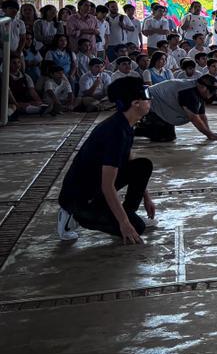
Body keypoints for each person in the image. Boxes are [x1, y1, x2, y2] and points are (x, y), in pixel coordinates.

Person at [55, 77, 155, 244]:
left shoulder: (126, 124)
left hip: (96, 188)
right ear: (135, 103)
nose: (150, 99)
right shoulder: (115, 132)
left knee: (143, 165)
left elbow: (129, 161)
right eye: (147, 95)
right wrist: (124, 223)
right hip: (80, 198)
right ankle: (72, 215)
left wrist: (147, 197)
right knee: (136, 229)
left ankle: (128, 213)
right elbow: (107, 186)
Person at [134, 75, 217, 143]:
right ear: (203, 87)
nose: (212, 94)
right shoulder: (189, 93)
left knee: (169, 136)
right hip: (149, 105)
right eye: (211, 91)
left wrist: (210, 132)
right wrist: (210, 135)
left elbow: (202, 115)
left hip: (162, 106)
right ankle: (136, 130)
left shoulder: (198, 91)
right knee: (164, 137)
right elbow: (194, 118)